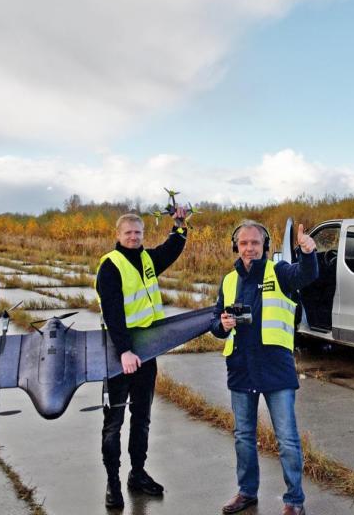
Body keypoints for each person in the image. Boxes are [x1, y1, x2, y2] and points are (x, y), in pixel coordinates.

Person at [211, 220, 318, 515]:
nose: (249, 248)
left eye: (255, 243)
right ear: (236, 246)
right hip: (241, 369)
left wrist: (308, 253)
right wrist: (221, 325)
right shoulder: (229, 281)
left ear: (265, 246)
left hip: (275, 370)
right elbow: (214, 322)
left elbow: (306, 275)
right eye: (243, 243)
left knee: (286, 438)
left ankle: (294, 501)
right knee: (243, 436)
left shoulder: (279, 272)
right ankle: (247, 492)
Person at [94, 209, 188, 509]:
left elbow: (171, 249)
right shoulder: (110, 266)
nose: (134, 238)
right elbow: (112, 312)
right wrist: (123, 351)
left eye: (138, 233)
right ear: (118, 236)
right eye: (128, 234)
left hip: (145, 352)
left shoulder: (147, 259)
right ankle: (113, 482)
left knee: (142, 417)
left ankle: (137, 473)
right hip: (119, 354)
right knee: (114, 422)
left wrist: (180, 226)